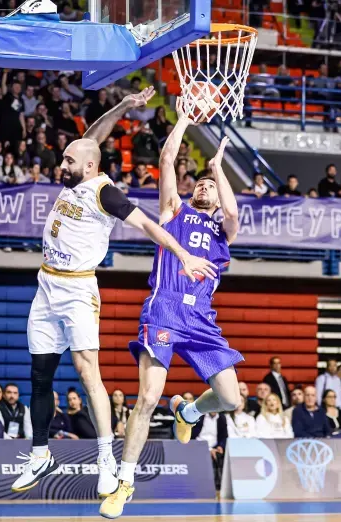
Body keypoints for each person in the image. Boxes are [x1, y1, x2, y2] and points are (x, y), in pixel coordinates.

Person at [13, 88, 215, 496]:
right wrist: (123, 106)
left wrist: (182, 255)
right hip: (46, 284)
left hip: (77, 289)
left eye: (68, 160)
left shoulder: (105, 192)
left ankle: (106, 458)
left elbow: (148, 226)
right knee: (40, 375)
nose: (61, 162)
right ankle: (40, 455)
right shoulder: (77, 174)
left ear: (88, 167)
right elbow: (90, 138)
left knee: (89, 374)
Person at [99, 106, 238, 518]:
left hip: (202, 321)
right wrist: (183, 120)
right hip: (163, 310)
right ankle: (124, 484)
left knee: (230, 398)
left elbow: (232, 212)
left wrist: (218, 166)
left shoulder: (223, 232)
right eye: (201, 182)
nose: (204, 187)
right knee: (146, 397)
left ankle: (189, 410)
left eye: (210, 185)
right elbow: (165, 160)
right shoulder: (173, 211)